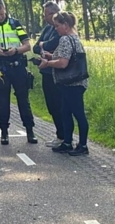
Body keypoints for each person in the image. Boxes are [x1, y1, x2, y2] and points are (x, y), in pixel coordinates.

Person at [0, 0, 37, 145]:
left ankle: (30, 130)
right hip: (1, 68)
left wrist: (16, 50)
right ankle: (4, 132)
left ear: (5, 8)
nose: (0, 16)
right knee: (3, 102)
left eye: (2, 13)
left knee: (23, 100)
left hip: (18, 66)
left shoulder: (15, 23)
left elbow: (27, 46)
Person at [39, 11, 88, 156]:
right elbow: (68, 56)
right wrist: (51, 56)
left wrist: (47, 63)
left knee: (78, 114)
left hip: (71, 83)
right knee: (65, 112)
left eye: (57, 25)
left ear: (65, 25)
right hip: (76, 82)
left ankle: (82, 145)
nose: (55, 29)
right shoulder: (75, 38)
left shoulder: (65, 39)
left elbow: (63, 63)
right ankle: (67, 142)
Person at [33, 2, 64, 144]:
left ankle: (64, 137)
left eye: (46, 14)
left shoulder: (60, 29)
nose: (44, 17)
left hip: (57, 73)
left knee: (59, 105)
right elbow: (35, 47)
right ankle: (60, 135)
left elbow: (53, 44)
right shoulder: (47, 29)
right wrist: (43, 47)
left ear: (53, 13)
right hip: (45, 72)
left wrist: (43, 45)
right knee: (51, 105)